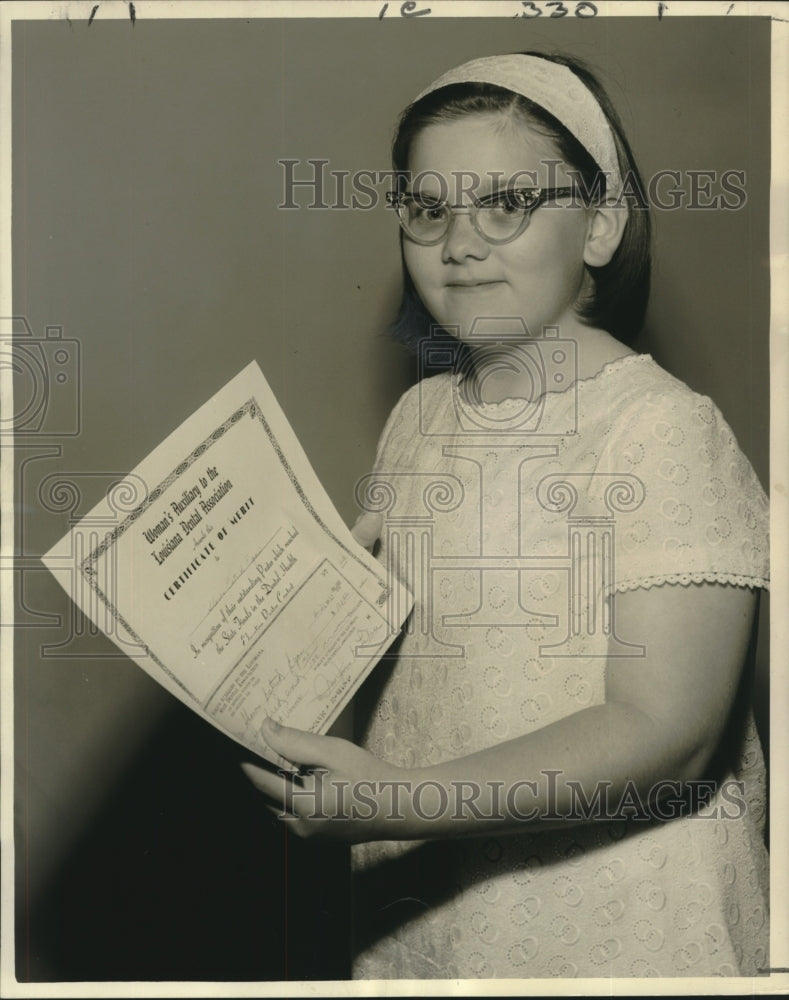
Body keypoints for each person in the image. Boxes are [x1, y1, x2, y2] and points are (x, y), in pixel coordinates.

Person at [242, 52, 770, 979]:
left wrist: (400, 803)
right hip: (435, 912)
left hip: (618, 919)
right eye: (428, 209)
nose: (458, 244)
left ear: (600, 225)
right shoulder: (417, 418)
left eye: (507, 205)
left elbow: (668, 732)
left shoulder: (658, 429)